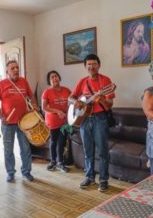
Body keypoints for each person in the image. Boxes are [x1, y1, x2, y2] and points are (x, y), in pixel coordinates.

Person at [69, 54, 115, 192]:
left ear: (99, 65)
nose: (91, 67)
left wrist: (101, 100)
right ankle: (89, 177)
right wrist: (75, 102)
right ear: (85, 67)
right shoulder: (82, 81)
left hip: (100, 118)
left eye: (94, 64)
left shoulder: (105, 81)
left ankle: (103, 180)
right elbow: (70, 97)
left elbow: (110, 104)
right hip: (84, 119)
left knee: (102, 151)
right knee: (87, 150)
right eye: (88, 64)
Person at [0, 60, 37, 182]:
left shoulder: (23, 81)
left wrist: (34, 105)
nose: (16, 70)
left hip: (24, 122)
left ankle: (26, 171)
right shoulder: (1, 85)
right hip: (8, 124)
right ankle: (11, 172)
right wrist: (1, 117)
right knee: (8, 149)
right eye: (13, 68)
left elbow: (31, 96)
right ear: (7, 71)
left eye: (17, 68)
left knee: (25, 148)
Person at [42, 70, 71, 172]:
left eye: (56, 76)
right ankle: (53, 161)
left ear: (59, 78)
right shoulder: (47, 92)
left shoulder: (67, 90)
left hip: (64, 121)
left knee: (62, 141)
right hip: (52, 121)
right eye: (52, 77)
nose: (54, 78)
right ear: (49, 81)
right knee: (54, 141)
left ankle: (60, 163)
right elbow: (44, 107)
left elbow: (71, 103)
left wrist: (70, 116)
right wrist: (58, 111)